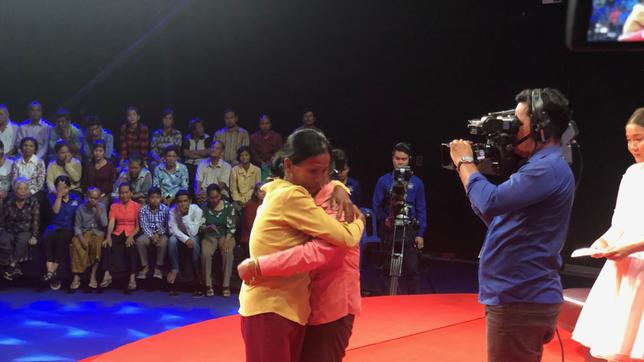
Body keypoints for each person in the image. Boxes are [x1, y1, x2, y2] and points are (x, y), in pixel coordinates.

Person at [448, 88, 575, 362]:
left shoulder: (546, 168)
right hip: (519, 295)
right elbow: (496, 214)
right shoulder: (542, 166)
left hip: (521, 297)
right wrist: (472, 182)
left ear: (542, 127)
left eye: (519, 122)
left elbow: (491, 201)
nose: (513, 130)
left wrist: (464, 162)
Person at [238, 129, 365, 362]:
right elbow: (332, 243)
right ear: (288, 165)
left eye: (325, 171)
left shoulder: (328, 198)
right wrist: (359, 223)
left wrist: (259, 266)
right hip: (278, 306)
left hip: (324, 307)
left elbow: (325, 250)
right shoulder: (294, 195)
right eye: (312, 171)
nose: (319, 178)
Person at [572, 108, 644, 361]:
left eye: (639, 138)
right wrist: (603, 241)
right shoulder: (633, 174)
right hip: (625, 264)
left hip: (638, 261)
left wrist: (632, 247)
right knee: (620, 342)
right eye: (629, 140)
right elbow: (620, 223)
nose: (633, 146)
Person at [372, 142, 427, 294]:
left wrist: (420, 234)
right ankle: (386, 300)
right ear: (392, 158)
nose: (400, 162)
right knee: (387, 268)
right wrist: (385, 219)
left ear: (409, 159)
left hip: (409, 229)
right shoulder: (383, 181)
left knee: (412, 269)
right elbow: (376, 206)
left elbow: (421, 208)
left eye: (404, 159)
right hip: (389, 229)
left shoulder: (417, 183)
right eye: (397, 158)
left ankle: (412, 302)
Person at [42, 175, 80, 290]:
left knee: (62, 238)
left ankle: (50, 272)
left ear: (69, 188)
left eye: (64, 188)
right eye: (59, 187)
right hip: (54, 225)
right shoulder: (51, 197)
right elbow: (56, 211)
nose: (62, 190)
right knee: (46, 237)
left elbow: (79, 215)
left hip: (68, 227)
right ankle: (51, 272)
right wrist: (58, 197)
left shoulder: (76, 198)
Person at [101, 182, 141, 292]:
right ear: (119, 194)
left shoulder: (137, 206)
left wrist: (131, 236)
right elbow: (112, 222)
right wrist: (108, 236)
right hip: (118, 231)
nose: (124, 195)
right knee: (107, 245)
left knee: (131, 247)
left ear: (131, 193)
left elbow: (138, 226)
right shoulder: (114, 206)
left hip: (131, 232)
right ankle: (107, 274)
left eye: (126, 192)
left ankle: (132, 278)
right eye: (121, 193)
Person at [0, 178, 39, 281]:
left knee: (22, 241)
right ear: (14, 190)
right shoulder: (9, 201)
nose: (23, 191)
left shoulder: (33, 201)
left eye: (25, 189)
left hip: (25, 230)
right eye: (20, 189)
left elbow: (36, 220)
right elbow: (3, 219)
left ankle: (12, 266)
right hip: (10, 229)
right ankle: (14, 265)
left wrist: (34, 236)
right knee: (4, 241)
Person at [201, 184, 236, 297]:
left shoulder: (228, 206)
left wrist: (226, 240)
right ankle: (208, 285)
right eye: (212, 198)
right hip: (210, 236)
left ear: (220, 195)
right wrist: (207, 227)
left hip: (226, 235)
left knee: (227, 252)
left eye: (216, 197)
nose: (214, 200)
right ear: (208, 197)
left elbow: (232, 226)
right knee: (205, 253)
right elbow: (200, 226)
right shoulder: (205, 208)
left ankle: (226, 285)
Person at [167, 190, 204, 296]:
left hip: (193, 236)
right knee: (172, 240)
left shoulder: (196, 210)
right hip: (180, 237)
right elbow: (172, 230)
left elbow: (194, 231)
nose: (182, 204)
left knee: (194, 239)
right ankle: (174, 268)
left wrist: (184, 216)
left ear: (190, 201)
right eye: (179, 202)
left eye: (185, 201)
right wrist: (185, 239)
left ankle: (197, 275)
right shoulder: (172, 211)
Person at [70, 187, 108, 290]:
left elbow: (104, 225)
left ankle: (93, 275)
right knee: (76, 244)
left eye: (96, 198)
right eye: (91, 198)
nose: (93, 200)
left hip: (97, 232)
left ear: (99, 198)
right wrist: (81, 238)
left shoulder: (102, 207)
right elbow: (77, 226)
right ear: (87, 197)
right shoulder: (80, 208)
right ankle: (76, 276)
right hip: (84, 232)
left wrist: (99, 213)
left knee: (97, 246)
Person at [136, 187, 169, 280]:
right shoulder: (143, 210)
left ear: (161, 198)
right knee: (140, 241)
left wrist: (158, 234)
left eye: (157, 197)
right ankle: (145, 266)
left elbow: (167, 225)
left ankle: (158, 267)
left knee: (163, 243)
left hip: (161, 234)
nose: (155, 200)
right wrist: (152, 236)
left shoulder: (165, 209)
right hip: (148, 233)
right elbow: (144, 225)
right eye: (152, 197)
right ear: (148, 199)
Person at [81, 140, 118, 208]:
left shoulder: (110, 165)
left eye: (100, 151)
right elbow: (85, 181)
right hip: (90, 194)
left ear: (104, 152)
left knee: (101, 207)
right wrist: (88, 194)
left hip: (104, 194)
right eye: (96, 151)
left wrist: (102, 195)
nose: (97, 153)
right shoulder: (89, 165)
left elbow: (112, 183)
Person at [249, 114, 283, 181]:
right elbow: (253, 152)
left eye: (267, 123)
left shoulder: (276, 137)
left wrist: (271, 162)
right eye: (262, 124)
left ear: (270, 124)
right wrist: (261, 162)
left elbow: (279, 151)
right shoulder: (253, 137)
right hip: (258, 166)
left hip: (273, 166)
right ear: (259, 125)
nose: (264, 126)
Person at [182, 117, 212, 189]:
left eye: (202, 126)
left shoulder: (207, 138)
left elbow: (208, 152)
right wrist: (201, 153)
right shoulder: (187, 138)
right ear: (193, 130)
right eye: (199, 127)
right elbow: (185, 153)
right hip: (189, 163)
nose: (202, 129)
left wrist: (192, 152)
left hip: (202, 164)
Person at [239, 182, 265, 258]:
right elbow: (249, 224)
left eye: (264, 191)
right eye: (260, 191)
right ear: (255, 193)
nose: (263, 193)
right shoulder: (249, 205)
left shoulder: (268, 203)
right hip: (250, 236)